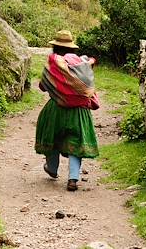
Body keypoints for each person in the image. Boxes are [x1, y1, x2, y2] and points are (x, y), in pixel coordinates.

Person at [34, 30, 100, 192]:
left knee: (53, 137)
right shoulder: (83, 64)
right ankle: (73, 179)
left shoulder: (53, 63)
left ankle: (52, 168)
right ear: (72, 48)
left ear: (55, 47)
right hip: (79, 111)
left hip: (56, 109)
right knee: (76, 143)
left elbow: (43, 86)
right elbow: (87, 88)